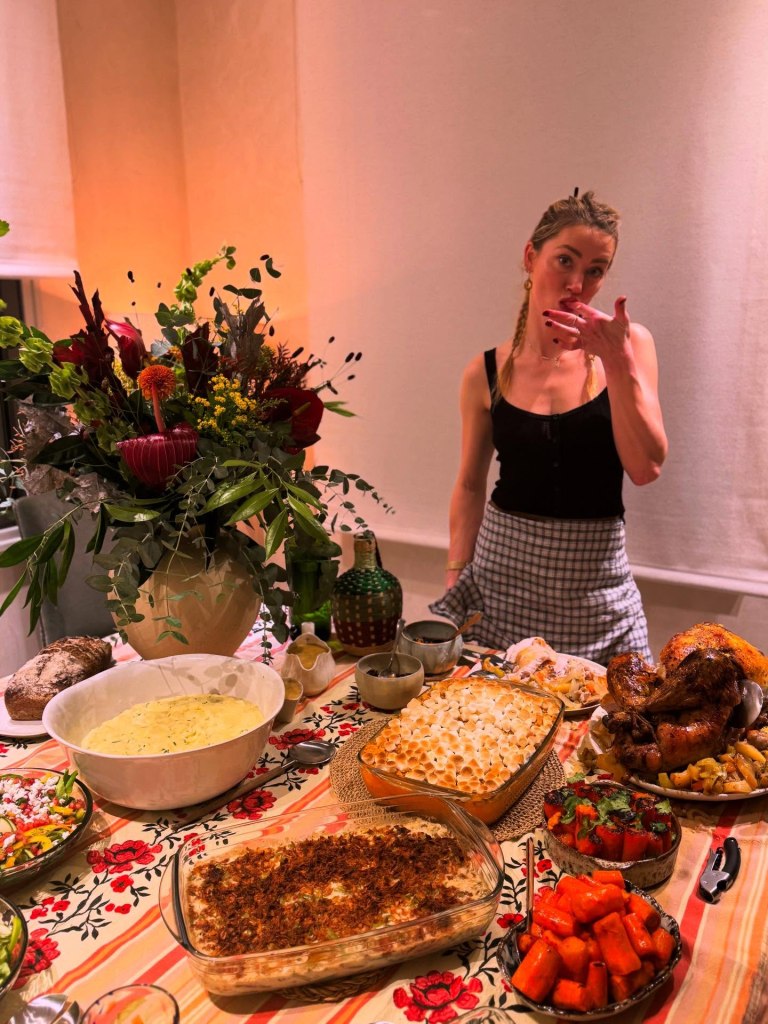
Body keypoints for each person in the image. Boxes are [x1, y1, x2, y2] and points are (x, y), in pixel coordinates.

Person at [430, 190, 667, 664]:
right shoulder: (487, 371)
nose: (578, 282)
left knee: (611, 725)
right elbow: (471, 483)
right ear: (530, 257)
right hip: (502, 581)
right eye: (565, 260)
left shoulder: (629, 345)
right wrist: (457, 569)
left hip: (594, 592)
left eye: (596, 269)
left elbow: (645, 467)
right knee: (498, 725)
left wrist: (617, 362)